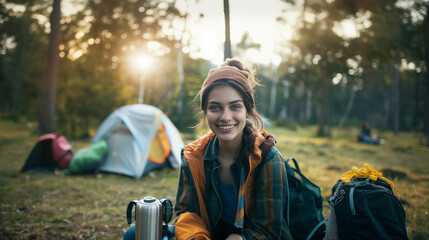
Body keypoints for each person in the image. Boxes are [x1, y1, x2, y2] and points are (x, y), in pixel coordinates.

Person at [174, 58, 292, 240]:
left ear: (247, 110)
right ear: (205, 111)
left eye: (235, 106)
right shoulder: (193, 156)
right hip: (209, 236)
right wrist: (196, 236)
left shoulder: (267, 157)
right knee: (135, 233)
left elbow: (268, 230)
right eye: (215, 108)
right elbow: (187, 211)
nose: (225, 117)